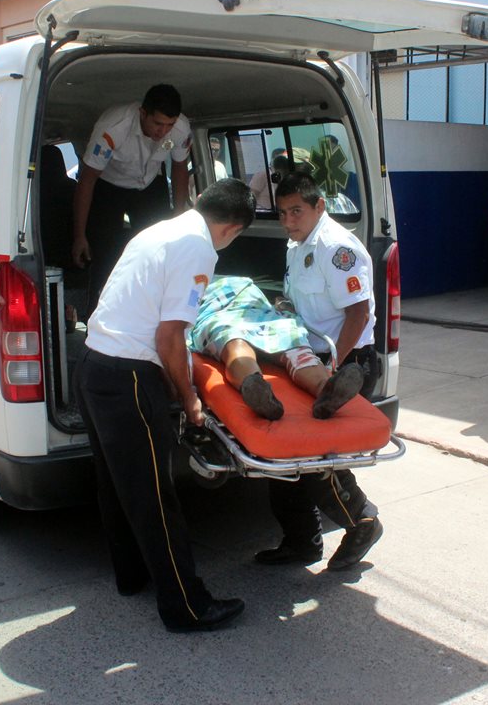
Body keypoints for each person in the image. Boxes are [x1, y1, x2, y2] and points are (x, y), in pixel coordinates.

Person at [74, 177, 255, 633]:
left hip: (94, 363)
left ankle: (132, 577)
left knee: (116, 483)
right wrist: (190, 397)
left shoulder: (158, 230)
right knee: (155, 493)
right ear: (232, 229)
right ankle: (186, 606)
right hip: (129, 376)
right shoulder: (198, 248)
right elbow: (170, 336)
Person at [253, 172, 382, 571]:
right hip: (307, 360)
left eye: (297, 211)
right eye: (283, 213)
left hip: (344, 364)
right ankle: (302, 539)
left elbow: (358, 314)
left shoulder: (336, 247)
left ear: (319, 206)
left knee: (317, 458)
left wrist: (332, 369)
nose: (289, 221)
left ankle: (363, 521)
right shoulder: (297, 245)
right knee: (280, 450)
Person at [72, 84, 193, 314]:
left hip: (149, 183)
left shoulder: (179, 129)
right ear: (143, 113)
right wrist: (80, 235)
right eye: (158, 124)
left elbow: (179, 169)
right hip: (109, 185)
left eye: (169, 125)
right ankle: (98, 316)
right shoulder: (113, 128)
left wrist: (179, 217)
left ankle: (153, 314)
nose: (163, 131)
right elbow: (87, 180)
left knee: (160, 250)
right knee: (105, 253)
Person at [188, 275, 364, 420]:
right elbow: (184, 314)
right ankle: (257, 389)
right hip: (217, 313)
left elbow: (181, 313)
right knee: (235, 339)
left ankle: (326, 390)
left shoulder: (197, 280)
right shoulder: (192, 284)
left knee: (289, 338)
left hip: (253, 306)